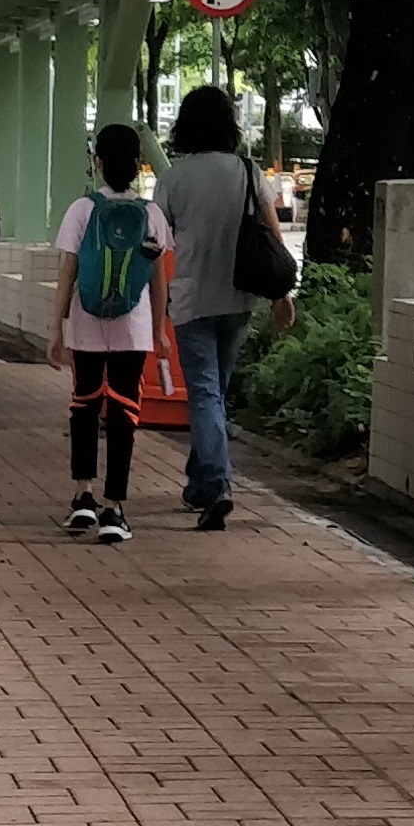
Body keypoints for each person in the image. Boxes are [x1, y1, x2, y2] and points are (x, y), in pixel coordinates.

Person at [154, 86, 295, 532]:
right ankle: (200, 484)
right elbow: (271, 235)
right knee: (215, 392)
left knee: (204, 393)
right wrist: (282, 294)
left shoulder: (173, 178)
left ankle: (215, 484)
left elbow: (154, 242)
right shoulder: (248, 171)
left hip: (191, 299)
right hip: (238, 298)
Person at [50, 125, 174, 544]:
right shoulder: (152, 214)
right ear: (139, 164)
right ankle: (114, 508)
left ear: (98, 162)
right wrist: (159, 330)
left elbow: (67, 270)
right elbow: (158, 280)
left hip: (86, 324)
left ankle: (82, 496)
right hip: (133, 328)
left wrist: (56, 326)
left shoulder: (81, 210)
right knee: (124, 412)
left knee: (84, 406)